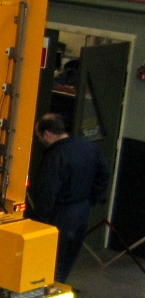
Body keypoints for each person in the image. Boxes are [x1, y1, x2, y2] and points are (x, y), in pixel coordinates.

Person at [27, 113, 110, 283]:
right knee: (68, 259)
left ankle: (46, 293)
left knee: (51, 261)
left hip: (61, 215)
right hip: (82, 212)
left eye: (38, 136)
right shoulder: (88, 147)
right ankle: (58, 287)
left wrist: (38, 223)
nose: (39, 140)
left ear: (47, 135)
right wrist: (92, 199)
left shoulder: (54, 156)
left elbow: (46, 192)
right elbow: (103, 174)